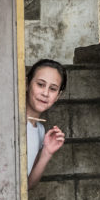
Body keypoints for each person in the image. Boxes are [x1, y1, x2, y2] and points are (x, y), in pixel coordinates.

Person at [26, 59, 67, 190]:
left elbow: (27, 185)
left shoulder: (40, 130)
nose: (45, 93)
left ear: (58, 96)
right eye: (40, 84)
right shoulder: (9, 120)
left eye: (53, 89)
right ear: (27, 84)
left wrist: (47, 152)